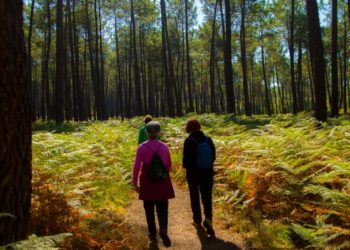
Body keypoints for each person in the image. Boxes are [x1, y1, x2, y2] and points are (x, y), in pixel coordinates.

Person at [133, 121, 175, 247]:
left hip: (147, 181)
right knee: (163, 207)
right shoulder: (164, 147)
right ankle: (163, 229)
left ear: (146, 132)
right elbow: (169, 165)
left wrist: (135, 182)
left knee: (149, 208)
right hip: (162, 181)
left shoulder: (141, 147)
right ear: (158, 132)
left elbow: (136, 166)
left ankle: (152, 235)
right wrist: (162, 174)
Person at [182, 119, 216, 237]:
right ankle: (208, 219)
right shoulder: (208, 139)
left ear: (189, 128)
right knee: (207, 196)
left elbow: (185, 162)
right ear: (199, 127)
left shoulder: (188, 141)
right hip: (207, 172)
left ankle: (197, 220)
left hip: (193, 174)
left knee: (194, 196)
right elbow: (213, 156)